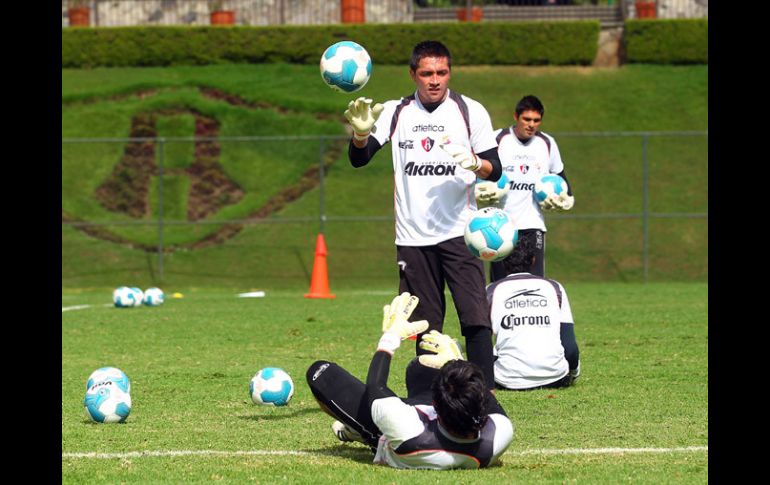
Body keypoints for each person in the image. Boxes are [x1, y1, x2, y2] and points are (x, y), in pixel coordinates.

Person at [344, 40, 503, 389]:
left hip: (462, 234)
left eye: (442, 72)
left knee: (475, 317)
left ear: (450, 73)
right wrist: (359, 134)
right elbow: (359, 158)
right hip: (413, 239)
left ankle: (484, 392)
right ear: (413, 74)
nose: (435, 80)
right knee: (424, 325)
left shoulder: (469, 110)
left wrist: (477, 163)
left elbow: (497, 169)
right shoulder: (396, 112)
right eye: (427, 73)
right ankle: (428, 395)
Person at [306, 293, 514, 470]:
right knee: (424, 364)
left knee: (320, 373)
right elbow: (482, 394)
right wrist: (456, 362)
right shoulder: (499, 434)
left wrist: (391, 336)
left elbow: (376, 387)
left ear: (437, 406)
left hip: (392, 426)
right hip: (427, 418)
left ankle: (362, 432)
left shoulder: (408, 429)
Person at [475, 95, 574, 281]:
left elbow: (563, 182)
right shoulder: (497, 139)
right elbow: (478, 173)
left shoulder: (547, 143)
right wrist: (480, 190)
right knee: (500, 284)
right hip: (500, 226)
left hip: (533, 225)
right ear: (516, 117)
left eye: (536, 120)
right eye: (526, 119)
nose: (531, 125)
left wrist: (566, 198)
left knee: (535, 283)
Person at [485, 235, 581, 390]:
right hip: (555, 377)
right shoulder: (555, 288)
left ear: (502, 261)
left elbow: (482, 343)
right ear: (533, 260)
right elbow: (569, 347)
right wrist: (573, 373)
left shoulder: (491, 291)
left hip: (507, 380)